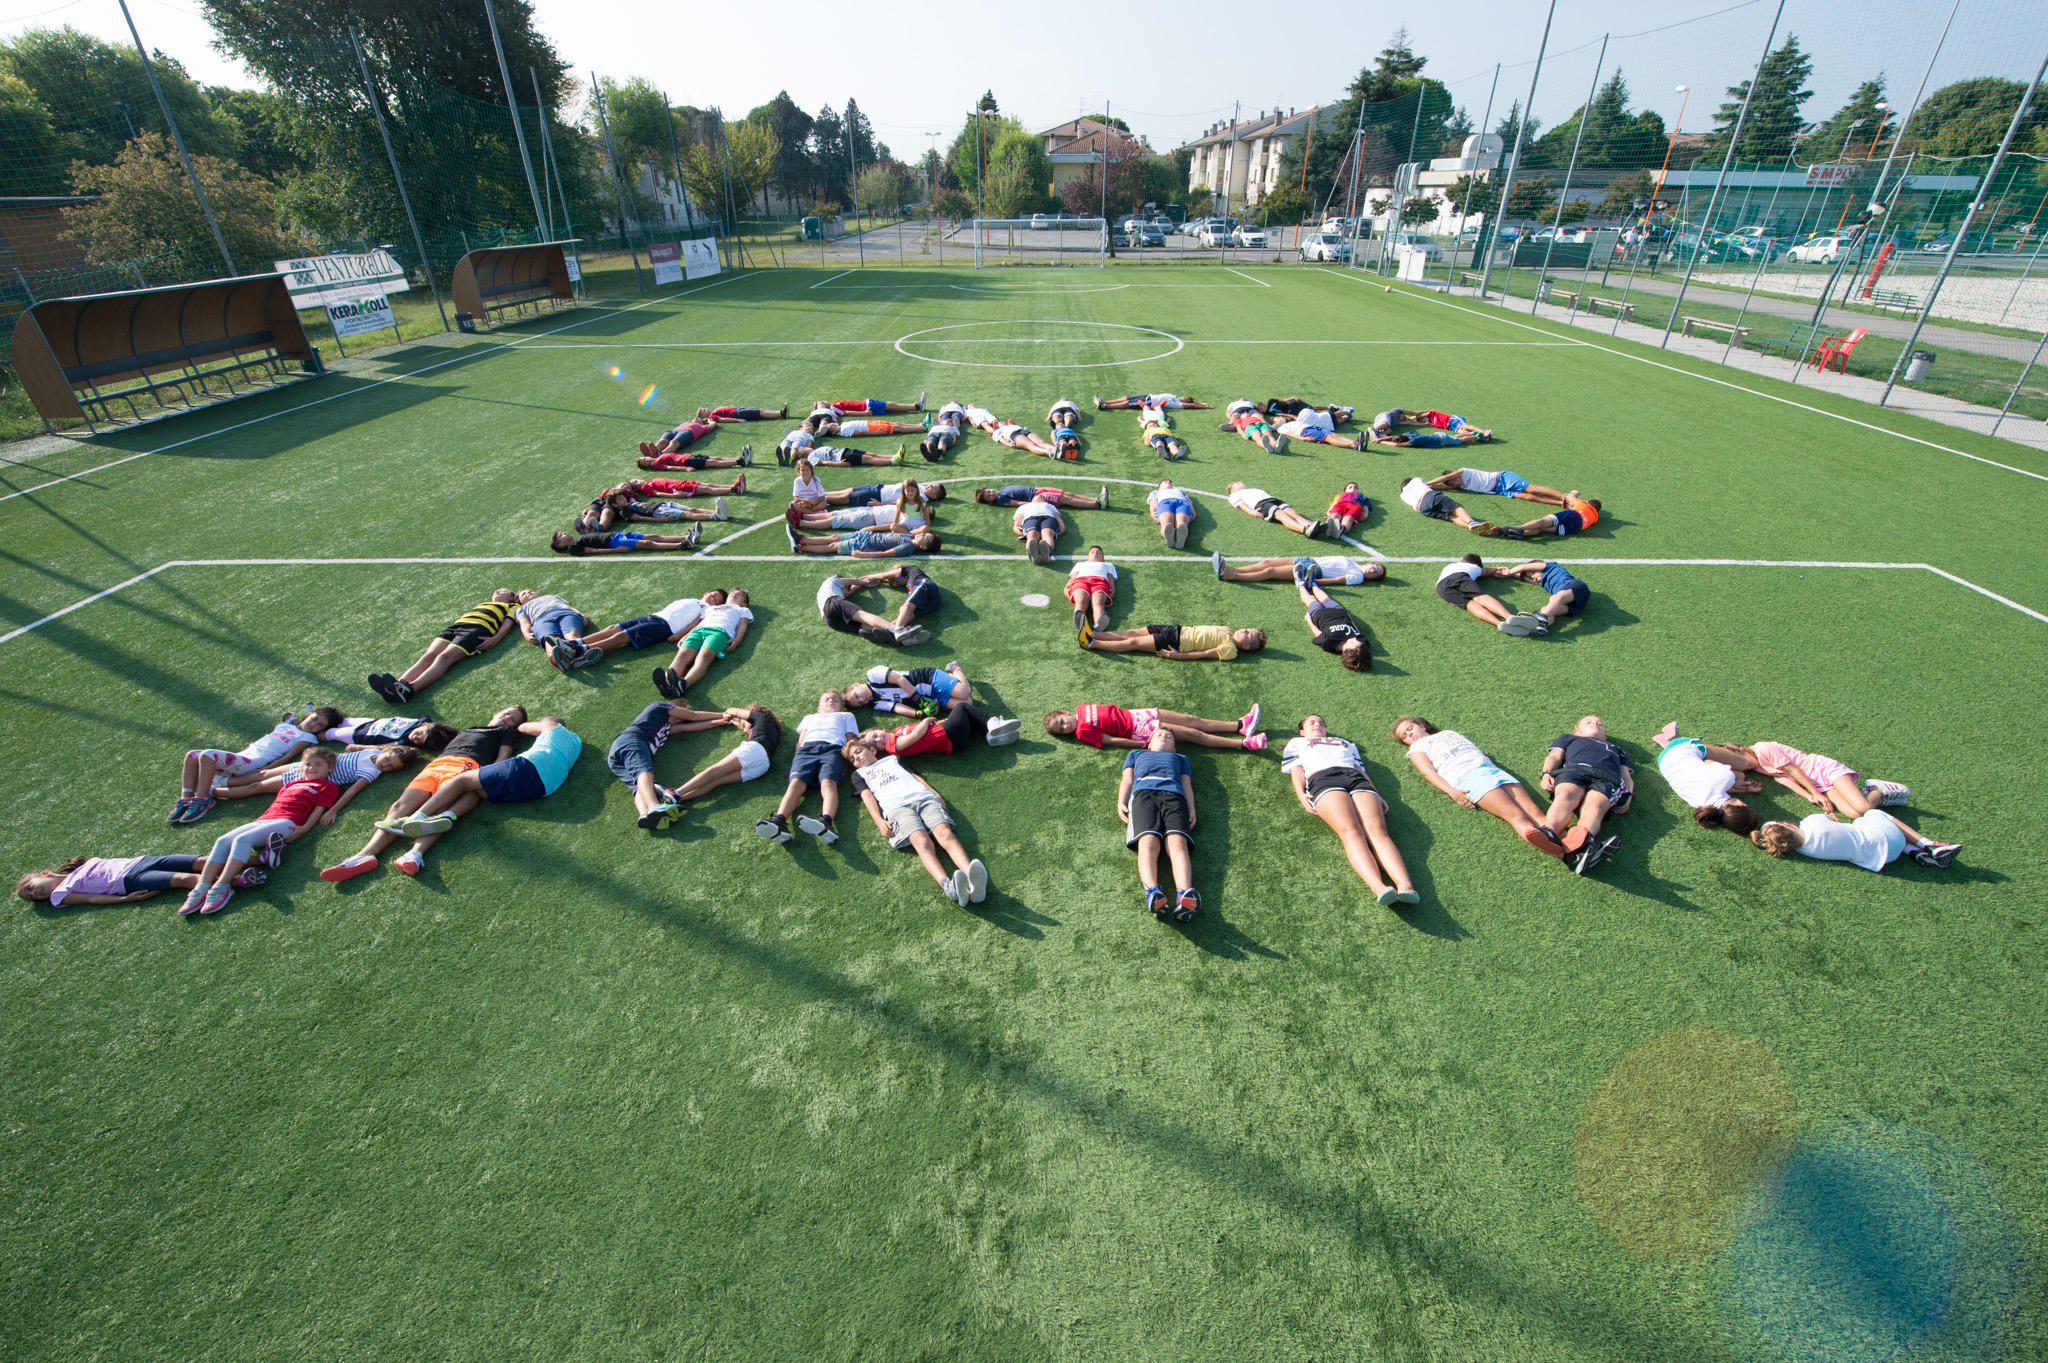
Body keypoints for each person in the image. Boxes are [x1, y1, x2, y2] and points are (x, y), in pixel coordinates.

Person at [320, 706, 528, 881]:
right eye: (507, 713)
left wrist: (484, 776)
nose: (507, 718)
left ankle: (415, 854)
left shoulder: (506, 732)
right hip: (436, 765)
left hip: (467, 765)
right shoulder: (469, 729)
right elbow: (415, 741)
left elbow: (503, 757)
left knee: (440, 810)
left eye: (513, 719)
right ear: (496, 713)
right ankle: (365, 855)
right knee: (399, 806)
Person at [180, 747, 343, 914]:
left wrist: (305, 827)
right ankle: (200, 888)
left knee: (242, 840)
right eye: (308, 764)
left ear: (330, 768)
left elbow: (318, 809)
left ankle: (222, 886)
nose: (311, 767)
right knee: (222, 841)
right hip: (264, 820)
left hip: (287, 822)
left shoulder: (328, 786)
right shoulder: (291, 783)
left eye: (318, 764)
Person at [377, 717, 584, 848]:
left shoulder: (551, 725)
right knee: (478, 790)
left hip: (530, 765)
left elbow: (523, 727)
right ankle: (446, 816)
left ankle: (415, 818)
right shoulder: (576, 742)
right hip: (544, 787)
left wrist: (538, 723)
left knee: (461, 780)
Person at [1284, 715, 1419, 907]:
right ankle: (1379, 887)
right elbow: (1296, 770)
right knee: (1351, 831)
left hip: (1355, 778)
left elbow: (1360, 769)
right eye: (1311, 723)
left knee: (1377, 831)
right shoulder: (1296, 743)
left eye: (1321, 723)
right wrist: (1301, 794)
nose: (1317, 725)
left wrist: (1377, 793)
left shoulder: (1345, 743)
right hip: (1322, 779)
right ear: (1302, 731)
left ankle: (1406, 885)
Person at [1393, 716, 1568, 857]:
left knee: (1534, 811)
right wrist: (1452, 791)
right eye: (1404, 736)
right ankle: (1563, 856)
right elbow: (1428, 772)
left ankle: (1572, 844)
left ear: (1421, 725)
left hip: (1492, 770)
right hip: (1469, 777)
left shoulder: (1448, 732)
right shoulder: (1417, 748)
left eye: (1409, 728)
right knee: (1516, 815)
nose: (1409, 734)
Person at [844, 737, 989, 906]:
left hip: (924, 798)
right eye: (852, 759)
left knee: (945, 834)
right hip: (897, 809)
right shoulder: (859, 774)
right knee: (922, 842)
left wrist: (935, 793)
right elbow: (867, 797)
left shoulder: (894, 759)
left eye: (858, 752)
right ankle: (948, 886)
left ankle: (973, 880)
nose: (857, 758)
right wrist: (879, 820)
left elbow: (915, 777)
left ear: (872, 750)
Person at [169, 706, 341, 824]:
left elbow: (289, 755)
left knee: (207, 754)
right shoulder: (284, 726)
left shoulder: (308, 738)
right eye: (315, 718)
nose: (313, 724)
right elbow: (295, 723)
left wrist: (266, 770)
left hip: (251, 763)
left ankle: (202, 800)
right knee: (192, 755)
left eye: (319, 726)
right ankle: (185, 799)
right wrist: (294, 720)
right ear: (310, 714)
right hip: (241, 756)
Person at [608, 701, 761, 830]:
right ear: (673, 707)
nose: (678, 722)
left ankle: (646, 815)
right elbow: (694, 716)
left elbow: (684, 728)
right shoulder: (660, 707)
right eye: (679, 718)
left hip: (616, 758)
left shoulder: (666, 729)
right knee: (644, 773)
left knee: (637, 786)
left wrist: (717, 723)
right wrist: (722, 714)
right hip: (631, 741)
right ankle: (655, 806)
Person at [371, 592, 518, 702]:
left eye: (502, 590)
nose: (497, 591)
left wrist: (496, 638)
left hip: (478, 629)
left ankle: (411, 689)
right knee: (428, 656)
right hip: (456, 626)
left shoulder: (512, 606)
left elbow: (508, 622)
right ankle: (396, 686)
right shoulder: (484, 604)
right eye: (497, 590)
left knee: (444, 657)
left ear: (511, 597)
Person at [1117, 730, 1201, 922]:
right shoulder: (1136, 754)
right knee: (1148, 842)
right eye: (1159, 735)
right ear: (1148, 744)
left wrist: (1191, 807)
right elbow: (1127, 779)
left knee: (1178, 842)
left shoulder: (1180, 758)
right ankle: (1152, 892)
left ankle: (1184, 894)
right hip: (1143, 796)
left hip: (1175, 798)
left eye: (1169, 736)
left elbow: (1186, 785)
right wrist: (1121, 801)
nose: (1164, 736)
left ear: (1174, 749)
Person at [757, 691, 859, 845]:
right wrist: (797, 758)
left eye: (836, 700)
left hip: (833, 749)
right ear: (819, 708)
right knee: (796, 783)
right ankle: (779, 821)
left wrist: (846, 761)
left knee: (828, 783)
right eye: (826, 699)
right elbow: (801, 740)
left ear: (841, 707)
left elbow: (850, 740)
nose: (830, 701)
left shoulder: (846, 716)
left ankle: (826, 821)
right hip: (806, 750)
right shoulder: (810, 717)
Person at [1537, 716, 1632, 874]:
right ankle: (1550, 831)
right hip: (1574, 770)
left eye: (1600, 723)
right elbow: (1555, 756)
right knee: (1565, 796)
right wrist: (1546, 773)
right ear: (1577, 732)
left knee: (1595, 807)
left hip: (1607, 778)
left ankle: (1582, 846)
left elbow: (1626, 776)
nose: (1595, 723)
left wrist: (1628, 795)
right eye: (1589, 722)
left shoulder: (1617, 749)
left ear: (1605, 737)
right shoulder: (1568, 738)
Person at [652, 704, 782, 815]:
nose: (743, 729)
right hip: (763, 766)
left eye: (743, 724)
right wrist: (733, 721)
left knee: (712, 772)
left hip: (754, 751)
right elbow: (742, 722)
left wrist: (731, 711)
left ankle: (676, 793)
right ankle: (678, 799)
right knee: (715, 782)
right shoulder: (771, 729)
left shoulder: (761, 718)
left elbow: (738, 712)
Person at [216, 746, 417, 814]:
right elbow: (352, 751)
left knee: (256, 786)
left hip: (306, 778)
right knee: (261, 774)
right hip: (309, 764)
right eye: (388, 759)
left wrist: (333, 810)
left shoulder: (371, 772)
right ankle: (222, 781)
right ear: (386, 750)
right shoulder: (372, 751)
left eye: (391, 767)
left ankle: (213, 791)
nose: (385, 765)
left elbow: (352, 791)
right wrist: (355, 747)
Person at [17, 853, 266, 907]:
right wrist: (125, 899)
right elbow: (91, 898)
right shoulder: (60, 895)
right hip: (131, 880)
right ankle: (239, 882)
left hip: (142, 861)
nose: (34, 893)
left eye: (30, 888)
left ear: (44, 873)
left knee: (204, 861)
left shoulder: (81, 867)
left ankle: (262, 858)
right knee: (186, 878)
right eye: (31, 897)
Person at [1651, 722, 1764, 838]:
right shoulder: (1700, 805)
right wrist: (1739, 787)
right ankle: (1668, 744)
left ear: (1742, 803)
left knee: (1746, 764)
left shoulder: (1725, 778)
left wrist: (1732, 781)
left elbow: (1707, 761)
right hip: (1664, 762)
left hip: (1682, 747)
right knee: (1740, 775)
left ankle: (1676, 737)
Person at [1744, 741, 1912, 817]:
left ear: (1743, 749)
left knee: (1864, 807)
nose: (1750, 767)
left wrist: (1816, 793)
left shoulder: (1762, 748)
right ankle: (1878, 799)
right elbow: (1782, 779)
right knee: (1855, 814)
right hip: (1818, 784)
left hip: (1822, 769)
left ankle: (1877, 789)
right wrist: (1810, 796)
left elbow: (1793, 770)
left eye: (1747, 763)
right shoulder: (1757, 766)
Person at [1752, 810, 1959, 870]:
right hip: (1889, 839)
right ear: (1787, 826)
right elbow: (1830, 818)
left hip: (1886, 858)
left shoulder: (1804, 851)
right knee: (1870, 815)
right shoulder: (1810, 822)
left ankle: (1913, 852)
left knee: (1861, 825)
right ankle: (1928, 844)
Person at [653, 589, 753, 698]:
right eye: (733, 592)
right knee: (682, 655)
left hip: (720, 632)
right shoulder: (710, 608)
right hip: (698, 631)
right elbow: (697, 623)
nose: (734, 594)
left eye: (739, 594)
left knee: (704, 656)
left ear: (744, 603)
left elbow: (743, 625)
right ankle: (666, 684)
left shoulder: (742, 610)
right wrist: (686, 635)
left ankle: (684, 684)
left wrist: (738, 639)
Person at [1042, 703, 1266, 751]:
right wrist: (1141, 744)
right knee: (1193, 734)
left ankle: (1239, 725)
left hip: (1138, 714)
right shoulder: (1082, 733)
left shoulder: (1082, 708)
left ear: (1065, 712)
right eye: (1061, 730)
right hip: (1139, 731)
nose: (1065, 726)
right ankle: (1244, 743)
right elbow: (1111, 740)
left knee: (1190, 718)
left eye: (1062, 721)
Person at [852, 697, 1022, 759]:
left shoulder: (897, 731)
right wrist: (925, 721)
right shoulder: (892, 746)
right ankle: (992, 722)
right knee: (962, 706)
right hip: (949, 736)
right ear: (878, 750)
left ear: (880, 729)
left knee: (969, 719)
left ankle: (990, 735)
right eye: (876, 743)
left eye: (875, 735)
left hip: (950, 735)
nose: (879, 739)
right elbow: (915, 736)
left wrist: (941, 721)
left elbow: (925, 731)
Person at [1284, 560, 1371, 671]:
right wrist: (1348, 615)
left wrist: (1309, 620)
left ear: (1345, 652)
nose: (1355, 639)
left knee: (1311, 600)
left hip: (1319, 616)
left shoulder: (1329, 643)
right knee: (1325, 598)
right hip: (1338, 612)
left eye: (1353, 643)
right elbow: (1354, 627)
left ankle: (1300, 584)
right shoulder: (1362, 642)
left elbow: (1317, 633)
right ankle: (1313, 584)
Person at [1435, 554, 1551, 634]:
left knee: (1470, 605)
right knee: (1479, 598)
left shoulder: (1449, 567)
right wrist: (1495, 569)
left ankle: (1499, 623)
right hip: (1458, 577)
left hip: (1441, 588)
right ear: (1477, 564)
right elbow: (1485, 571)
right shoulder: (1472, 567)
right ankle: (1508, 616)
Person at [1482, 558, 1593, 635]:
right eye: (1531, 577)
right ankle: (1538, 627)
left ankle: (1540, 617)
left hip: (1576, 587)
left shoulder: (1551, 566)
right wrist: (1505, 573)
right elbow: (1522, 577)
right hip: (1577, 605)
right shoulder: (1543, 582)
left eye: (1533, 572)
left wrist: (1509, 572)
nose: (1533, 577)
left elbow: (1523, 567)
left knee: (1555, 598)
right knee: (1549, 610)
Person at [581, 595, 709, 660]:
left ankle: (581, 649)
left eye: (717, 600)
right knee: (613, 628)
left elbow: (696, 623)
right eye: (713, 595)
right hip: (655, 616)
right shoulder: (691, 599)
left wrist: (681, 634)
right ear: (706, 593)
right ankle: (576, 642)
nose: (714, 599)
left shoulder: (707, 608)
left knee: (622, 636)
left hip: (666, 626)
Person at [817, 573, 930, 647]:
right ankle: (896, 629)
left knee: (866, 627)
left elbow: (849, 590)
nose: (847, 593)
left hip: (830, 621)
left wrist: (858, 586)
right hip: (832, 603)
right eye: (847, 589)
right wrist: (865, 582)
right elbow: (855, 581)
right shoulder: (834, 580)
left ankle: (900, 639)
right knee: (864, 616)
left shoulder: (828, 591)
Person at [1082, 622, 1265, 661]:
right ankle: (1093, 633)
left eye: (1248, 635)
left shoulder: (1231, 649)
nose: (1245, 630)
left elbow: (1204, 654)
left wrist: (1179, 656)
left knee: (1133, 643)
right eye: (1248, 629)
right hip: (1176, 629)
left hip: (1175, 642)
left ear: (1246, 646)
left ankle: (1091, 643)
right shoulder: (1227, 630)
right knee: (1131, 633)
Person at [846, 662, 973, 717]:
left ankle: (954, 668)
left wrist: (917, 698)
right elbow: (896, 707)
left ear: (856, 685)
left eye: (856, 696)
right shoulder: (875, 703)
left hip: (927, 678)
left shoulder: (872, 675)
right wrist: (918, 714)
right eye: (859, 703)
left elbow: (899, 679)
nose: (861, 699)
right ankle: (951, 680)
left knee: (964, 692)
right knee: (967, 703)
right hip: (930, 698)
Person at [516, 590, 601, 670]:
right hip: (541, 619)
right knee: (549, 638)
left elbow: (570, 607)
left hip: (565, 612)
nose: (528, 593)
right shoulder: (522, 608)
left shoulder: (552, 596)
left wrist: (581, 614)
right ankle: (557, 660)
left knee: (572, 633)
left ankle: (581, 655)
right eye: (524, 594)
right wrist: (527, 633)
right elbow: (524, 623)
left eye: (530, 591)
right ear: (520, 602)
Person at [1226, 482, 1327, 538]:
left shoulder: (1250, 489)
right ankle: (1305, 530)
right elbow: (1241, 505)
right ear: (1232, 490)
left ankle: (1312, 527)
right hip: (1261, 504)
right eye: (1236, 483)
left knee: (1293, 513)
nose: (1240, 482)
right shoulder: (1234, 495)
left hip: (1272, 499)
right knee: (1281, 514)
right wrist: (1252, 512)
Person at [1214, 553, 1385, 586]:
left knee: (1270, 572)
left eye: (1376, 573)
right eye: (1375, 567)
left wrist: (1313, 582)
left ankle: (1233, 576)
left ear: (1372, 578)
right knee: (1266, 563)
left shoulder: (1358, 576)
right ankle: (1233, 569)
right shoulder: (1352, 561)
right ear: (1371, 563)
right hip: (1308, 559)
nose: (1373, 570)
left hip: (1313, 569)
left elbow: (1336, 580)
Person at [1425, 468, 1571, 507]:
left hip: (1502, 478)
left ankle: (1564, 495)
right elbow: (1443, 486)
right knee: (1527, 497)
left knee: (1531, 489)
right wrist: (1429, 487)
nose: (1456, 483)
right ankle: (1560, 503)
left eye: (1454, 480)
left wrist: (1426, 483)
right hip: (1499, 490)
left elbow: (1444, 480)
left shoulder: (1463, 472)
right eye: (1453, 484)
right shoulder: (1459, 486)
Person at [1491, 492, 1602, 540]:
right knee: (1542, 529)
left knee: (1543, 522)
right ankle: (1522, 533)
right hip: (1578, 526)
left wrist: (1575, 492)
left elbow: (1571, 497)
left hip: (1573, 514)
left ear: (1588, 502)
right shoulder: (1594, 518)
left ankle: (1520, 528)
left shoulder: (1583, 504)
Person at [1398, 477, 1494, 532]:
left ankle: (1477, 529)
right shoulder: (1415, 480)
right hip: (1429, 497)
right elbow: (1427, 484)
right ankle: (1471, 522)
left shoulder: (1403, 496)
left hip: (1423, 509)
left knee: (1451, 517)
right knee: (1456, 508)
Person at [788, 526, 941, 558]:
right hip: (866, 536)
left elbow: (886, 554)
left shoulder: (907, 547)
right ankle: (803, 539)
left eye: (925, 537)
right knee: (834, 537)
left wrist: (863, 554)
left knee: (832, 546)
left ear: (922, 546)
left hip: (863, 545)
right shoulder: (910, 537)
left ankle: (801, 548)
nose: (923, 534)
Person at [1066, 546, 1118, 635]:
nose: (1095, 553)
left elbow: (1110, 578)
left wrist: (1112, 589)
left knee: (1098, 602)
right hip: (1081, 581)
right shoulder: (1081, 564)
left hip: (1100, 581)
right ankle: (1080, 623)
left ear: (1103, 558)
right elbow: (1074, 577)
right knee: (1081, 600)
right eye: (1092, 552)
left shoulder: (1108, 564)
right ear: (1088, 557)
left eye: (1098, 552)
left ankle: (1098, 626)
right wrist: (1067, 586)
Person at [550, 528, 709, 556]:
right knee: (647, 544)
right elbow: (592, 551)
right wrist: (614, 550)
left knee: (653, 536)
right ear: (561, 544)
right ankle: (681, 545)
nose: (565, 533)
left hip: (616, 535)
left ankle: (684, 537)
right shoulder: (572, 548)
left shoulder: (577, 539)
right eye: (561, 535)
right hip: (612, 543)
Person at [330, 716, 453, 751]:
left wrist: (359, 747)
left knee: (331, 733)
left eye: (419, 741)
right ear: (424, 725)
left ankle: (317, 735)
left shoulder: (405, 741)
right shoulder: (423, 722)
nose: (415, 737)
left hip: (361, 736)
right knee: (340, 720)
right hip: (371, 722)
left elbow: (384, 747)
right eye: (420, 733)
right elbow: (427, 718)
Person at [974, 413, 1064, 459]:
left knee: (1041, 443)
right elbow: (1000, 439)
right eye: (999, 423)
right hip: (1014, 435)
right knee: (1031, 445)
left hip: (1023, 431)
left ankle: (1059, 450)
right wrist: (1008, 444)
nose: (1001, 422)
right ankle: (1049, 452)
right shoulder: (997, 431)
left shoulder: (1011, 425)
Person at [1273, 405, 1362, 449]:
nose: (1280, 417)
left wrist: (1285, 414)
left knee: (1334, 435)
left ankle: (1355, 442)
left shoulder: (1292, 422)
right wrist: (1303, 439)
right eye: (1277, 418)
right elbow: (1290, 434)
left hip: (1312, 427)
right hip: (1305, 431)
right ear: (1275, 423)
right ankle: (1353, 445)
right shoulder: (1281, 428)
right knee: (1328, 438)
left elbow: (1294, 417)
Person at [1011, 494, 1064, 565]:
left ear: (1045, 501)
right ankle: (1032, 554)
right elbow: (1020, 516)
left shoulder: (1050, 505)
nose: (1040, 496)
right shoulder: (1024, 506)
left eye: (1043, 496)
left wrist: (1061, 524)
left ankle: (1047, 552)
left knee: (1047, 533)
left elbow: (1057, 516)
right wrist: (1016, 525)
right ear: (1032, 499)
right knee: (1032, 534)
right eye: (1038, 495)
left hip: (1048, 518)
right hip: (1030, 518)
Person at [973, 484, 1106, 510]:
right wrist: (1036, 502)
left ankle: (1096, 499)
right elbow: (1017, 503)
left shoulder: (1002, 489)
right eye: (989, 496)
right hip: (1037, 496)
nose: (991, 493)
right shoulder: (1000, 499)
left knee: (1068, 494)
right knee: (1066, 500)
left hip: (1037, 489)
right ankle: (1097, 505)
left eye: (989, 491)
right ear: (990, 501)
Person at [1148, 478, 1195, 548]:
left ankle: (1180, 537)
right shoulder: (1156, 492)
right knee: (1167, 522)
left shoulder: (1180, 491)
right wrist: (1153, 511)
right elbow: (1153, 501)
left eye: (1170, 481)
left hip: (1182, 502)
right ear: (1159, 487)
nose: (1168, 482)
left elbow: (1188, 500)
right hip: (1165, 502)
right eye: (1165, 481)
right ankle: (1169, 537)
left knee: (1182, 521)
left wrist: (1192, 510)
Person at [812, 393, 925, 416]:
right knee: (891, 405)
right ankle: (917, 406)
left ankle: (916, 406)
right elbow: (846, 413)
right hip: (866, 406)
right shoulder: (834, 408)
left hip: (866, 403)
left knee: (891, 406)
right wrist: (865, 413)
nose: (823, 402)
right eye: (820, 403)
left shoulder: (834, 405)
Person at [1262, 397, 1355, 423]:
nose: (1262, 410)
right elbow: (1279, 414)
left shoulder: (1270, 401)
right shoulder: (1269, 412)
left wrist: (1293, 398)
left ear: (1263, 404)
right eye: (1260, 410)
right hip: (1292, 412)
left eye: (1261, 407)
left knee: (1313, 408)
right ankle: (1339, 413)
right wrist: (1291, 415)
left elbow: (1282, 400)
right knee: (1314, 413)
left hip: (1293, 404)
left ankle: (1330, 407)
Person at [1095, 393, 1213, 411]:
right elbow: (1194, 401)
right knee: (1126, 398)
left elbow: (1192, 404)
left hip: (1149, 403)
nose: (1184, 398)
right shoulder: (1176, 397)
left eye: (1186, 399)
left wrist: (1204, 406)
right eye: (1185, 397)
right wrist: (1202, 402)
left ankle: (1106, 406)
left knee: (1127, 404)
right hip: (1148, 396)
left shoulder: (1178, 404)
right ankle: (1104, 401)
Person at [696, 403, 787, 423]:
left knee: (760, 410)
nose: (706, 409)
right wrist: (737, 420)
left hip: (738, 409)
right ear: (703, 416)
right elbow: (722, 419)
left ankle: (779, 412)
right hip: (738, 413)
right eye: (704, 410)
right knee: (758, 412)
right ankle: (780, 414)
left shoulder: (712, 413)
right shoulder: (712, 416)